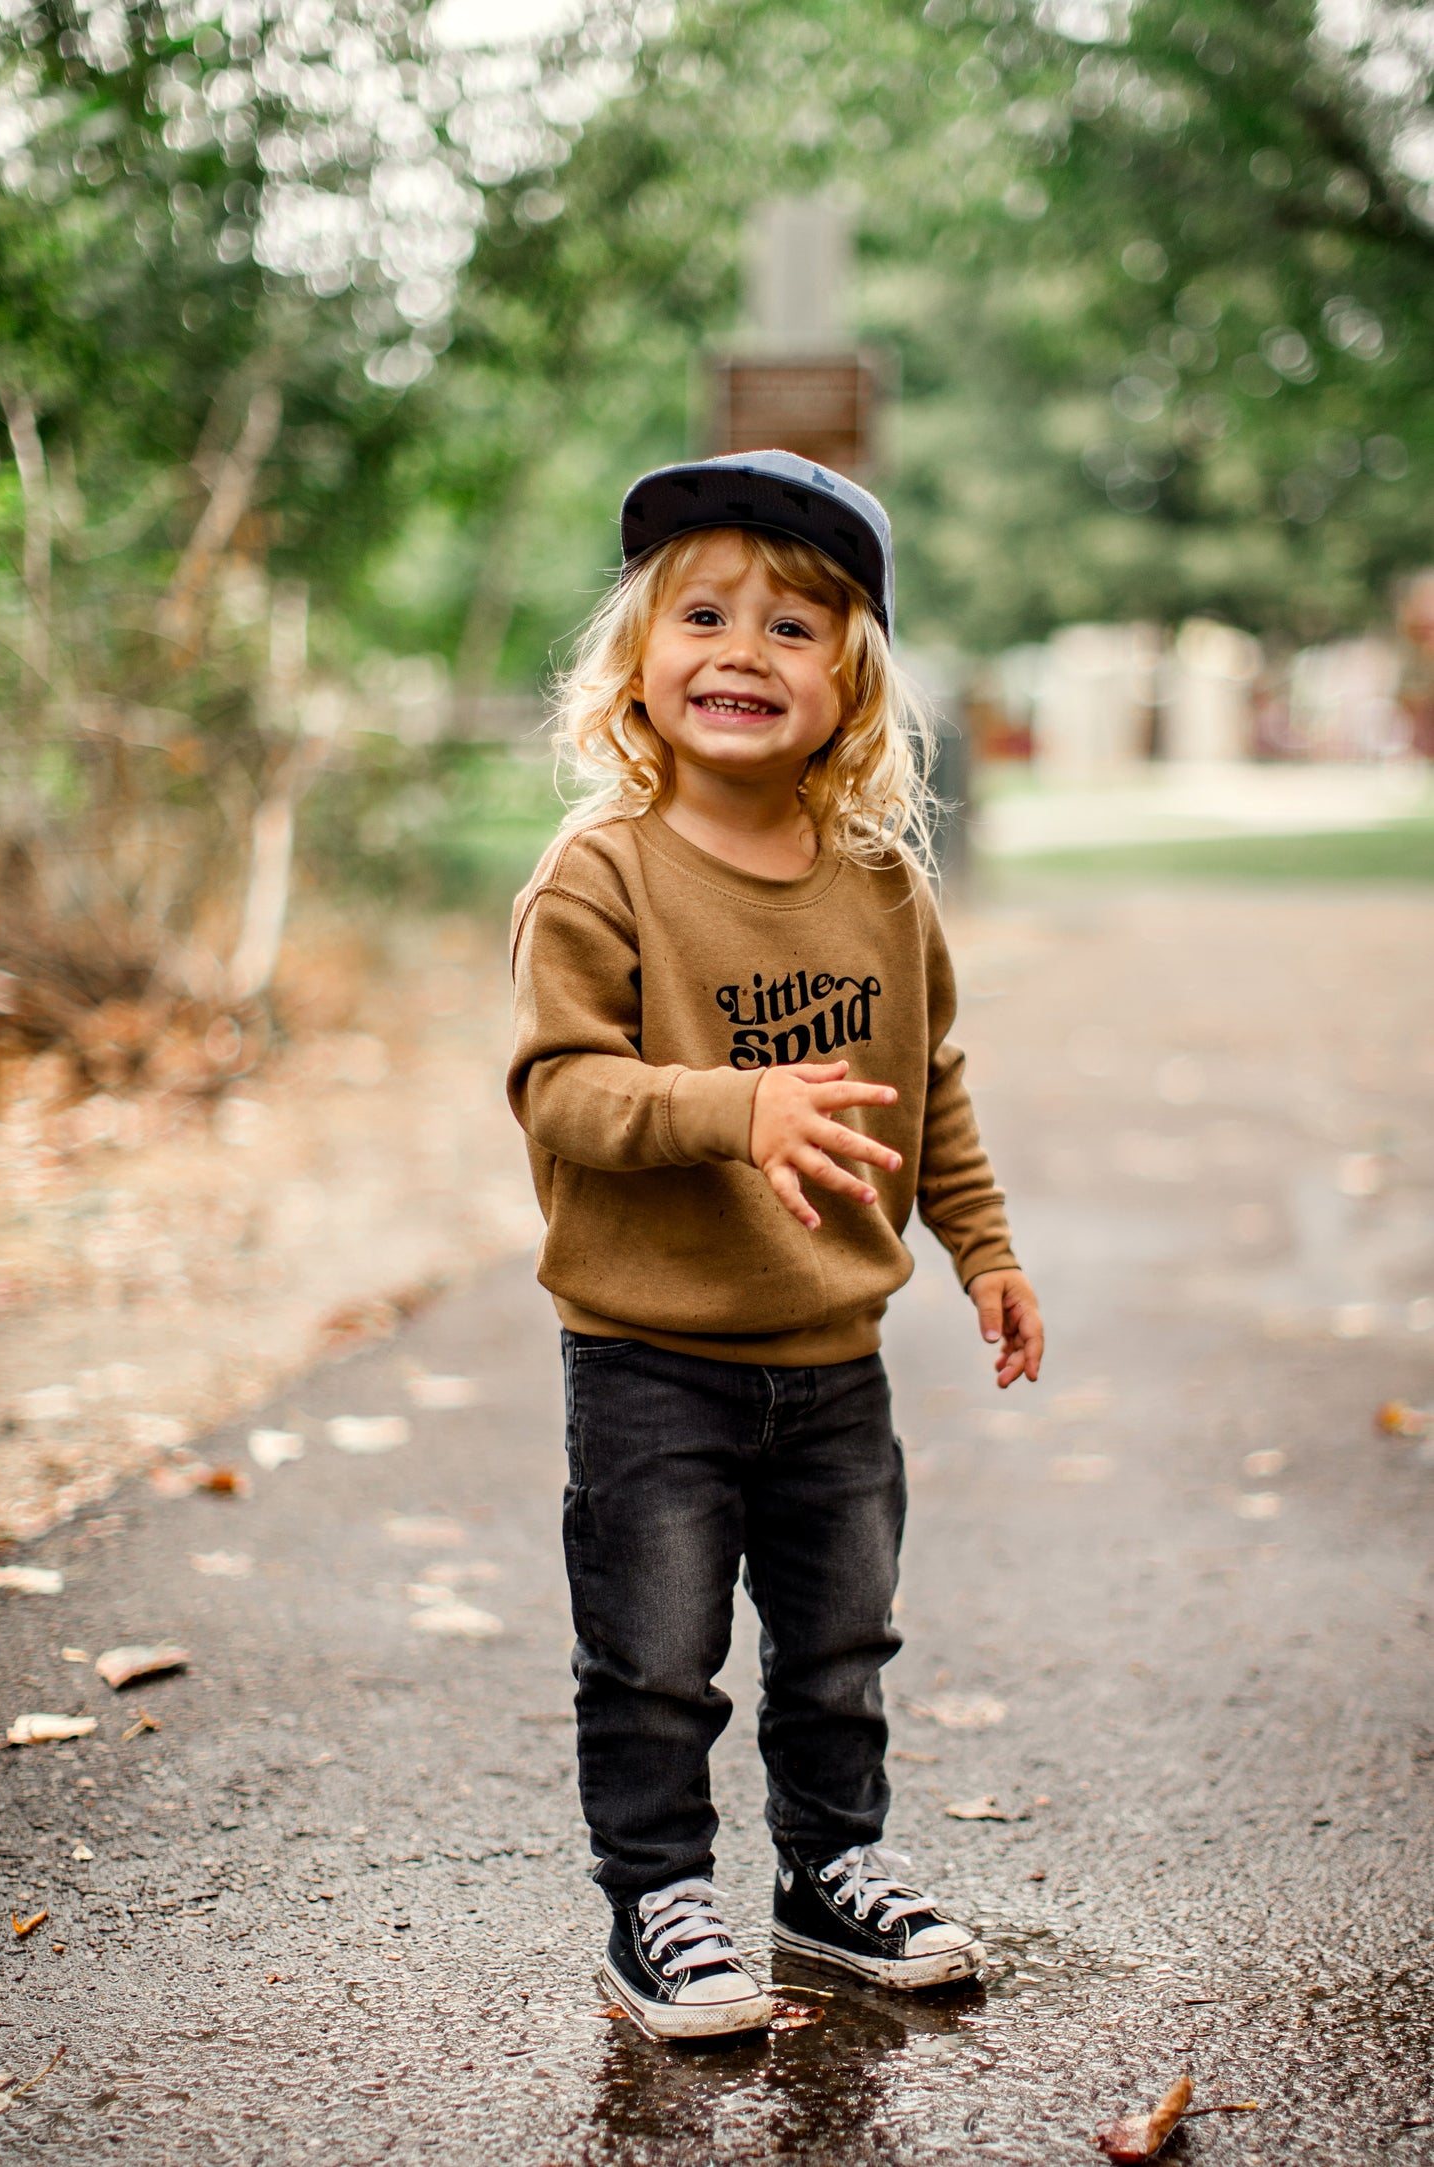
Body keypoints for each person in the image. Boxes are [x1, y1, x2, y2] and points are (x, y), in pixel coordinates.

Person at [507, 449, 1043, 2043]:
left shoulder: (882, 885)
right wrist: (729, 1111)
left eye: (796, 628)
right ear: (637, 658)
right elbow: (560, 1090)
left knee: (835, 1646)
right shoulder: (601, 873)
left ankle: (828, 1876)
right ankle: (657, 1900)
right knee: (657, 1658)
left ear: (853, 687)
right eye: (705, 614)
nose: (743, 650)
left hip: (830, 1362)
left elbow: (924, 1085)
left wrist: (984, 1246)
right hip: (650, 1356)